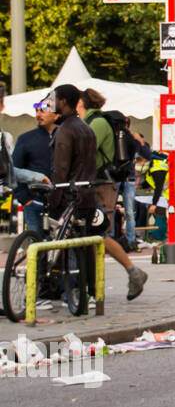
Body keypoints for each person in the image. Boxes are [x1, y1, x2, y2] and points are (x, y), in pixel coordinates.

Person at [52, 84, 149, 300]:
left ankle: (130, 272)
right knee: (91, 234)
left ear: (79, 103)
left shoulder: (93, 125)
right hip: (94, 184)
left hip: (99, 185)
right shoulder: (91, 123)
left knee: (98, 234)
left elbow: (83, 152)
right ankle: (93, 286)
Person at [13, 96, 56, 235]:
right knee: (36, 244)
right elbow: (14, 170)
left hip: (60, 202)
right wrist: (25, 199)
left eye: (43, 110)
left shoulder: (64, 135)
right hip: (34, 202)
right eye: (36, 110)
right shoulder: (26, 139)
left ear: (56, 112)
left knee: (62, 247)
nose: (38, 114)